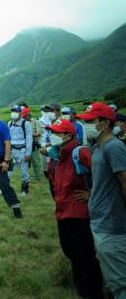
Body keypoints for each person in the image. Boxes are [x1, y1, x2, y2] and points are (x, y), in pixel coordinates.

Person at [46, 119, 104, 299]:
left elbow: (103, 178)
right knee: (69, 250)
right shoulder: (55, 156)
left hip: (79, 212)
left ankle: (93, 291)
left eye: (57, 133)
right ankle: (79, 284)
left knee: (84, 253)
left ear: (69, 136)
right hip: (62, 211)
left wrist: (91, 193)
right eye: (52, 132)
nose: (53, 136)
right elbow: (53, 182)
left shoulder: (81, 153)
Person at [77, 102, 126, 299]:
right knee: (112, 277)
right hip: (100, 221)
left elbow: (125, 183)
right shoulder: (98, 147)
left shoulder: (114, 147)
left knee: (120, 282)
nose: (86, 124)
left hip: (112, 224)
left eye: (90, 121)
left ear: (104, 123)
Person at [7, 105, 33, 196]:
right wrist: (8, 153)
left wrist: (28, 153)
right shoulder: (9, 123)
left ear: (20, 113)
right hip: (12, 151)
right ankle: (4, 189)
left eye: (16, 111)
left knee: (24, 172)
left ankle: (24, 190)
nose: (14, 113)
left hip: (22, 151)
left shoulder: (26, 123)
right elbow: (8, 139)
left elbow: (29, 139)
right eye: (12, 111)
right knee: (8, 171)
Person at [22, 107, 42, 182]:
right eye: (23, 116)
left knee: (35, 161)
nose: (23, 117)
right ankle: (26, 177)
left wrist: (29, 135)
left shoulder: (36, 122)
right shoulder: (22, 122)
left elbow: (39, 133)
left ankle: (37, 177)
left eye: (25, 116)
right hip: (25, 144)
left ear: (29, 115)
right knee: (25, 161)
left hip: (34, 144)